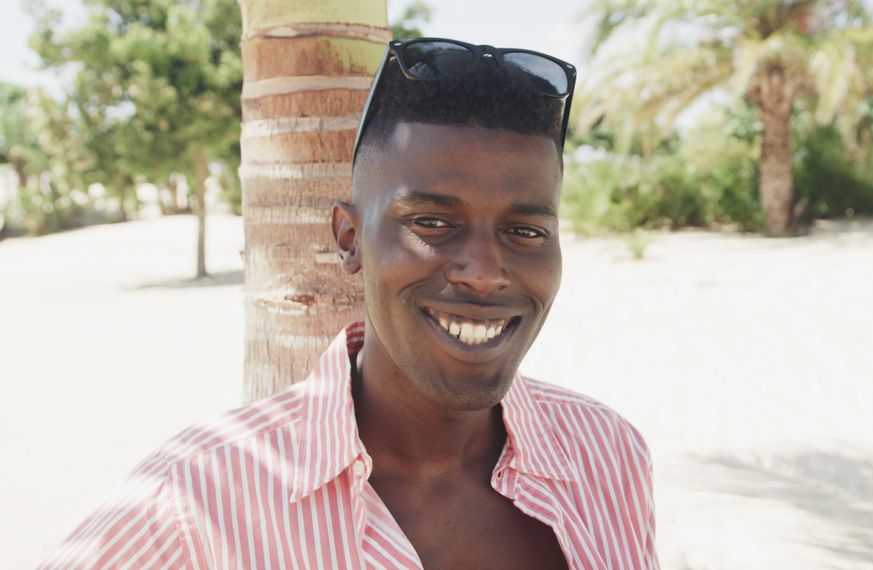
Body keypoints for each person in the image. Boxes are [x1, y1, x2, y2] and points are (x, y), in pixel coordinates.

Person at [41, 37, 657, 569]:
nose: (483, 273)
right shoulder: (199, 495)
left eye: (525, 232)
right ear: (349, 238)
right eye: (433, 222)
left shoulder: (607, 453)